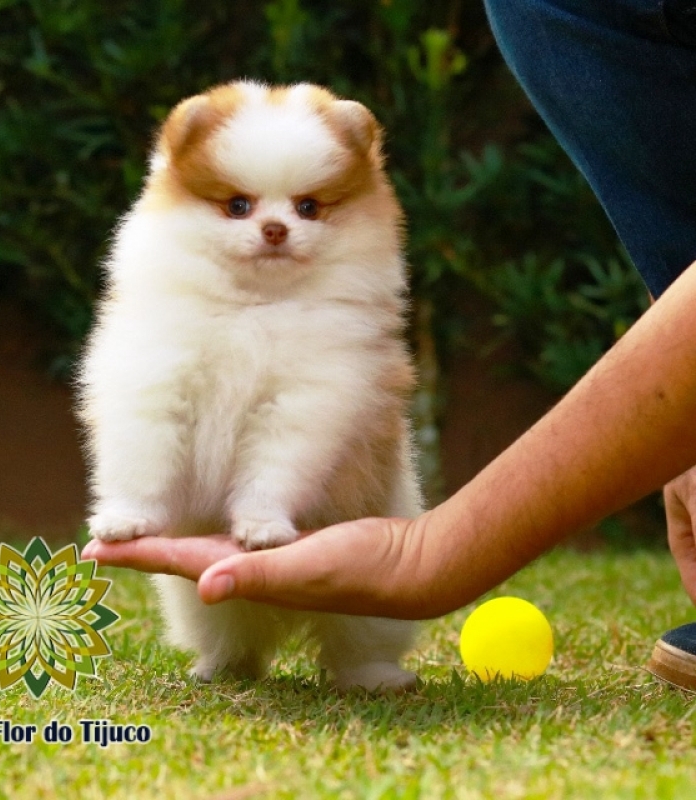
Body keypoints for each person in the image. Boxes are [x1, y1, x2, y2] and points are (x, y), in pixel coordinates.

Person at [81, 0, 696, 690]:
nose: (276, 227)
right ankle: (229, 651)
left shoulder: (345, 318)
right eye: (237, 205)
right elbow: (143, 405)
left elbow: (310, 418)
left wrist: (421, 553)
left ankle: (361, 655)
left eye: (310, 206)